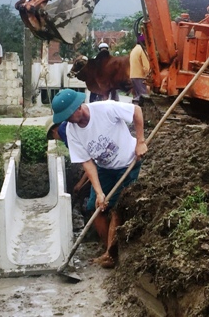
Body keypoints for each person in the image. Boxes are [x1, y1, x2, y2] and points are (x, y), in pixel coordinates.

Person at [51, 88, 147, 269]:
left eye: (69, 115)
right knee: (95, 208)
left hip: (128, 163)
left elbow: (136, 111)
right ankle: (109, 251)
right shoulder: (72, 131)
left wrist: (140, 141)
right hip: (105, 168)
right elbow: (87, 162)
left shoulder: (105, 109)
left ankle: (111, 255)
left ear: (78, 107)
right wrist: (99, 192)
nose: (68, 120)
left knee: (117, 207)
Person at [129, 34, 150, 103]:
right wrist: (149, 76)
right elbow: (146, 67)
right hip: (140, 76)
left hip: (133, 76)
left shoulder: (134, 50)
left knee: (138, 96)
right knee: (144, 97)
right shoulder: (142, 50)